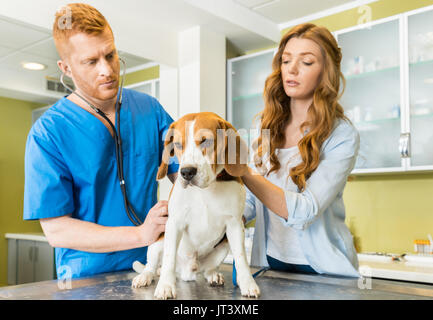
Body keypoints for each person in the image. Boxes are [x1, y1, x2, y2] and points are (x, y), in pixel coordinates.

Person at [23, 3, 178, 279]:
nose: (107, 69)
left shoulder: (149, 110)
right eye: (91, 62)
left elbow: (187, 174)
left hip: (152, 269)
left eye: (111, 55)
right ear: (66, 68)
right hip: (86, 280)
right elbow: (57, 230)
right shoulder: (48, 133)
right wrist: (141, 234)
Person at [241, 23, 360, 277]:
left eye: (306, 62)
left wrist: (242, 172)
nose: (292, 69)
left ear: (325, 72)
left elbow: (306, 211)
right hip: (269, 263)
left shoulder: (341, 134)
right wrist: (226, 216)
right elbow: (252, 199)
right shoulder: (264, 125)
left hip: (322, 270)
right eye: (286, 61)